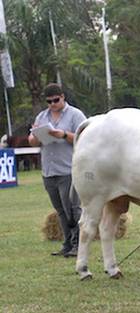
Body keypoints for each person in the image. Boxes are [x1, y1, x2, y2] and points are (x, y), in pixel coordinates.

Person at [28, 83, 86, 258]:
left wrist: (64, 135)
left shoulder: (75, 115)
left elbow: (85, 137)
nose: (52, 104)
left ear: (62, 97)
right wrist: (36, 136)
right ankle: (67, 243)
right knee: (60, 210)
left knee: (73, 209)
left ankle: (78, 244)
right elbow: (32, 141)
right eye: (49, 101)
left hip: (68, 169)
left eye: (55, 100)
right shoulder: (42, 116)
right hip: (49, 170)